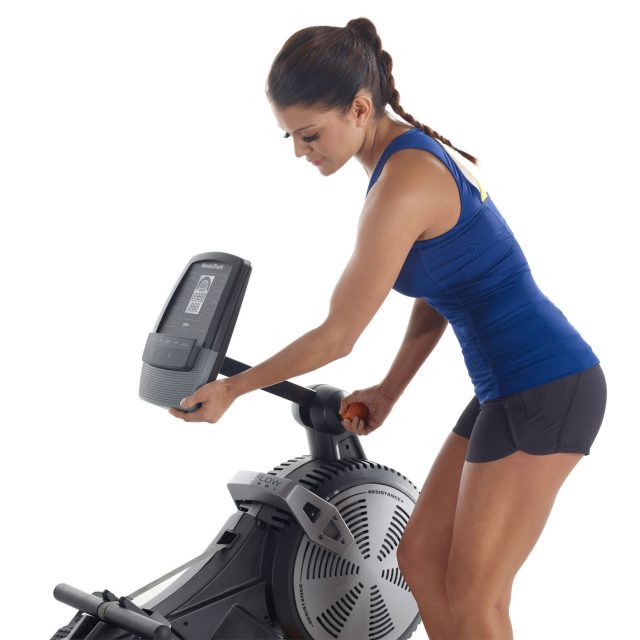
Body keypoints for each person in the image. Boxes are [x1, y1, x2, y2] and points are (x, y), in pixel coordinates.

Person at [169, 17, 607, 639]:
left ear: (358, 108)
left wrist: (234, 389)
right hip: (508, 390)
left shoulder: (406, 182)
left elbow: (338, 335)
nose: (300, 151)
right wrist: (390, 389)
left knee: (477, 596)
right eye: (290, 136)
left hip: (548, 387)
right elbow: (446, 287)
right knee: (420, 560)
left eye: (309, 134)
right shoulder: (401, 163)